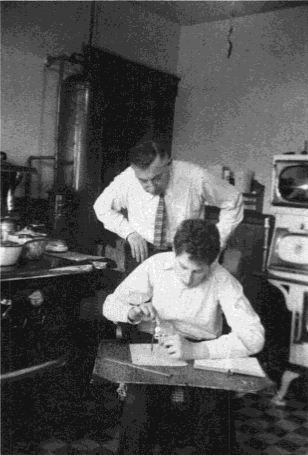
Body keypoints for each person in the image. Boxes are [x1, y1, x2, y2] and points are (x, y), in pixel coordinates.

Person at [103, 219, 265, 455]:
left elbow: (254, 336)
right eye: (183, 267)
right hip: (156, 346)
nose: (188, 279)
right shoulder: (156, 265)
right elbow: (110, 304)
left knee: (213, 417)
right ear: (174, 253)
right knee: (139, 407)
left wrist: (196, 351)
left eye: (198, 271)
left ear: (212, 263)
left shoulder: (222, 279)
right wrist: (131, 312)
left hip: (203, 351)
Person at [93, 140, 243, 273]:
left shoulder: (196, 176)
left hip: (186, 253)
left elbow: (233, 200)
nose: (151, 186)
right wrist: (130, 233)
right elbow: (101, 207)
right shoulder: (127, 178)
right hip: (142, 252)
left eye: (157, 178)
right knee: (139, 303)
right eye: (143, 181)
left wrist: (218, 240)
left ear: (169, 164)